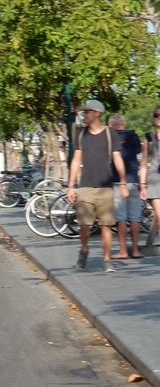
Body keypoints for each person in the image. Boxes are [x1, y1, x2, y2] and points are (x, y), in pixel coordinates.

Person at [66, 99, 128, 272]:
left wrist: (123, 183)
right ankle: (84, 249)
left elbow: (117, 158)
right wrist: (71, 185)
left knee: (106, 225)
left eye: (87, 112)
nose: (84, 114)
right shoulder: (80, 134)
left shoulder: (110, 134)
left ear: (97, 114)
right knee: (84, 225)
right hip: (85, 186)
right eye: (84, 112)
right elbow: (76, 159)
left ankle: (107, 259)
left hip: (105, 186)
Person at [107, 114, 143, 259]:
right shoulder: (133, 136)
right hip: (134, 180)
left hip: (117, 181)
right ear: (124, 123)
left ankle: (122, 251)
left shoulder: (110, 139)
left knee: (120, 217)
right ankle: (135, 250)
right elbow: (139, 150)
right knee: (135, 217)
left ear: (110, 126)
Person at [143, 106, 160, 246]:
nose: (159, 117)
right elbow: (143, 163)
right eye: (156, 115)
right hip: (154, 181)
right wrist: (142, 185)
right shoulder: (149, 138)